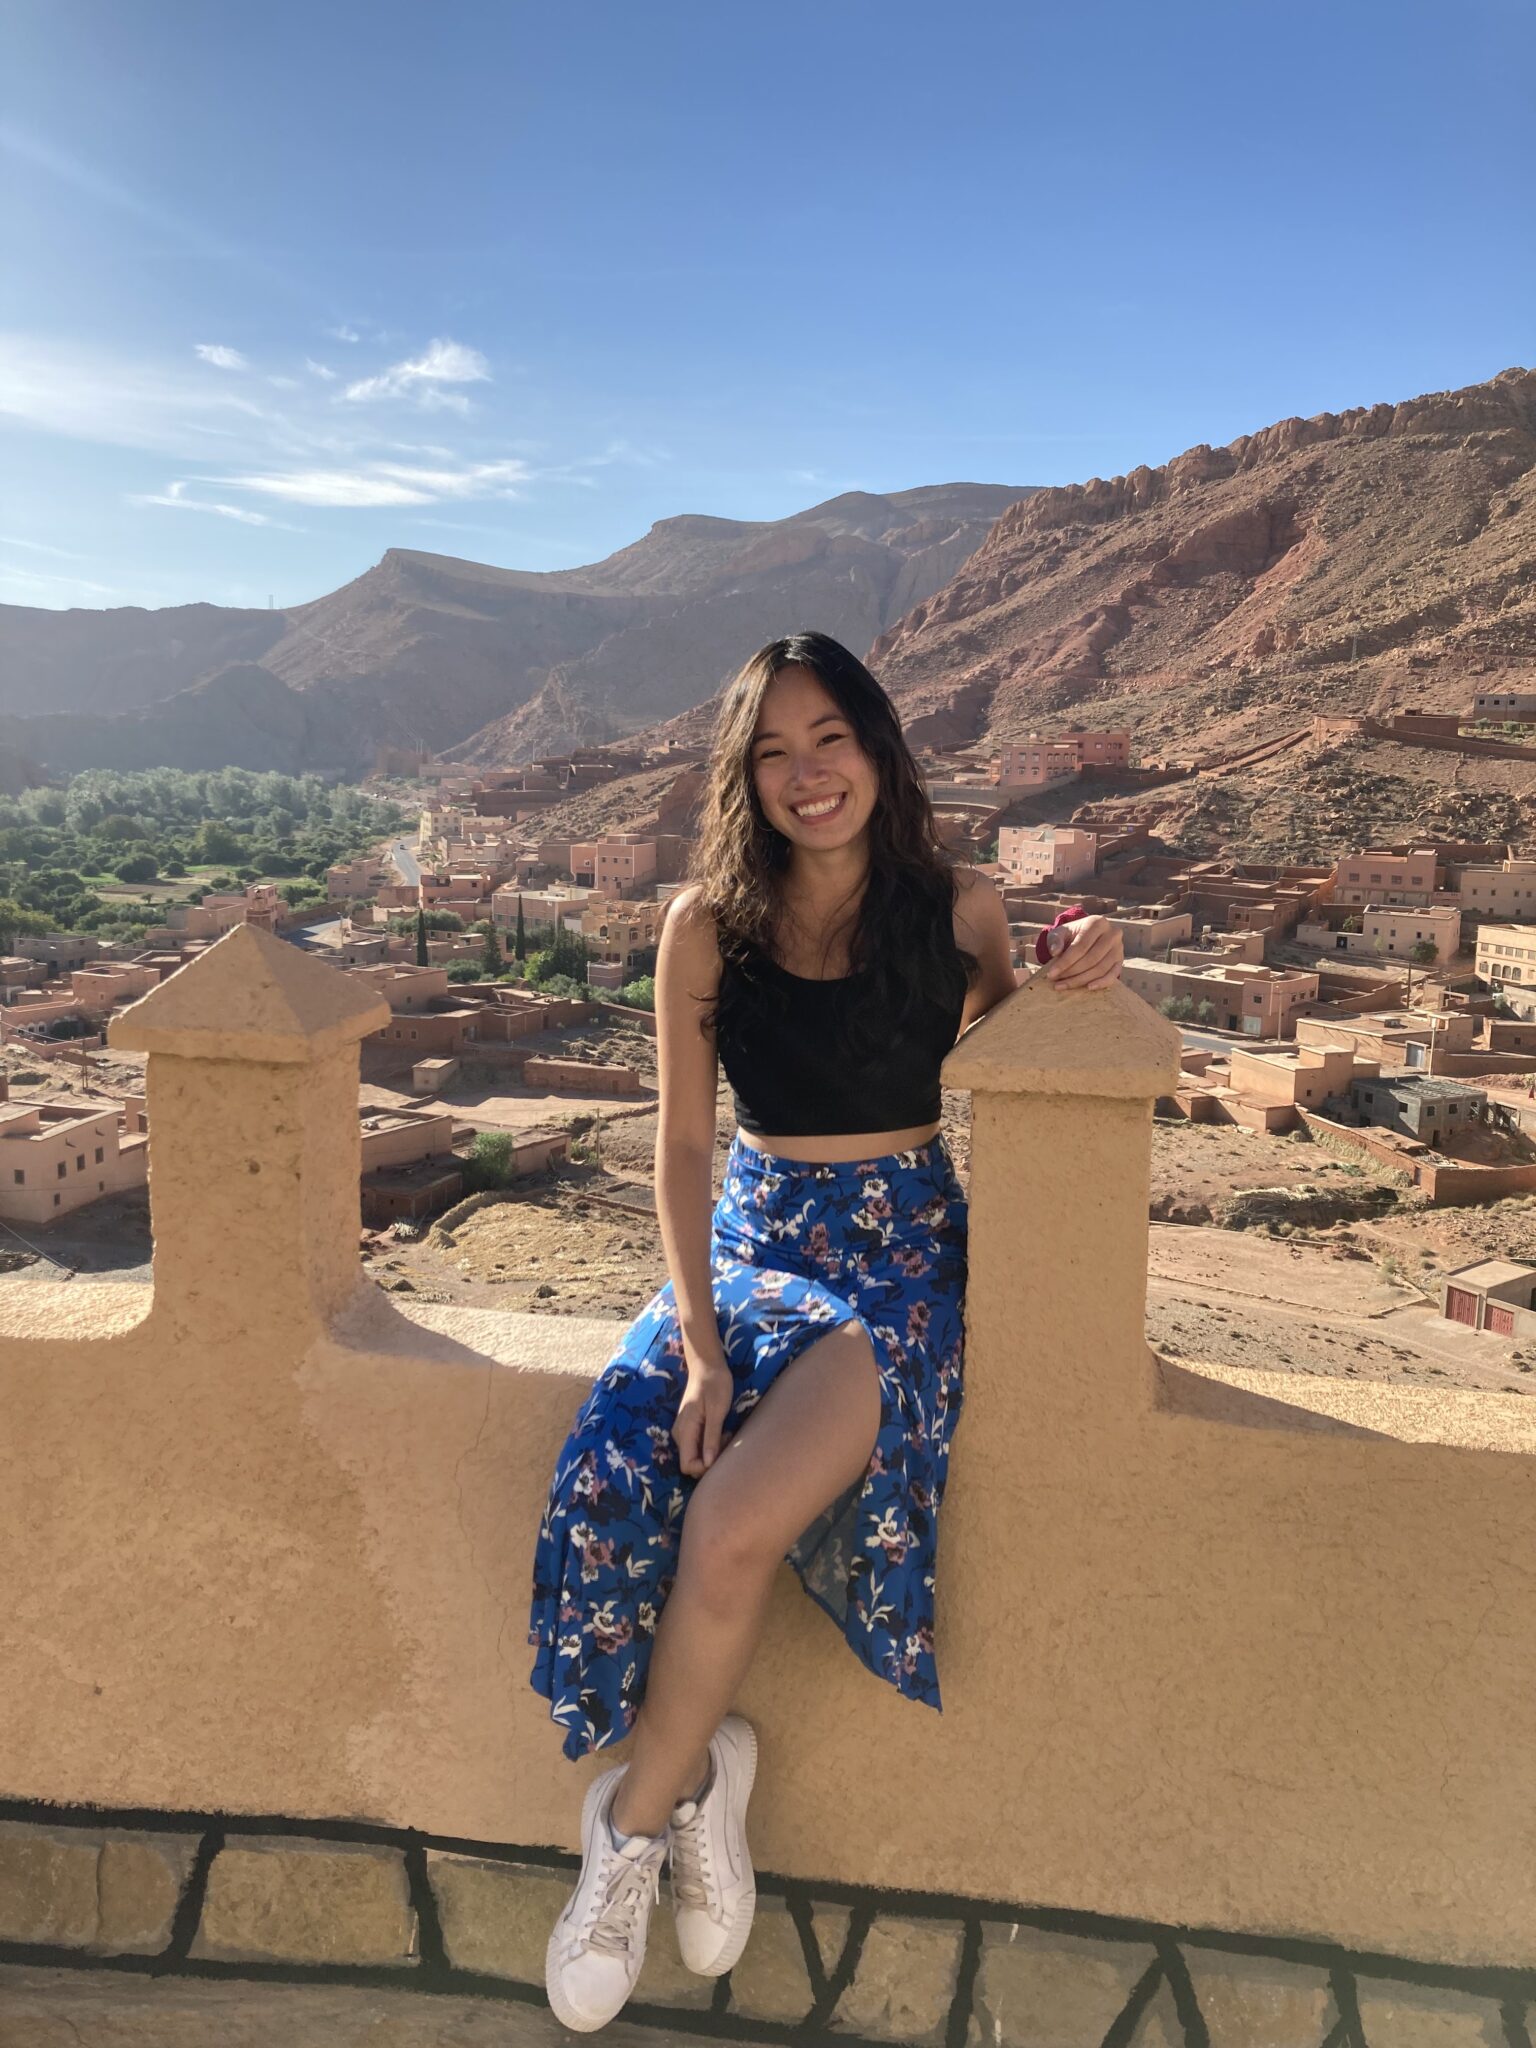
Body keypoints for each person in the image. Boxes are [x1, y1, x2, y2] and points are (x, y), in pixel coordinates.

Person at [528, 631, 1123, 2031]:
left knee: (730, 1521)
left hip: (903, 1263)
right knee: (628, 1462)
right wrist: (699, 1333)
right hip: (748, 1246)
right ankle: (703, 1784)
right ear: (746, 775)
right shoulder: (704, 926)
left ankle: (625, 1826)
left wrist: (1083, 956)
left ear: (877, 747)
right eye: (774, 750)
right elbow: (681, 1145)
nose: (808, 775)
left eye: (830, 739)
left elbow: (1024, 1045)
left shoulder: (960, 911)